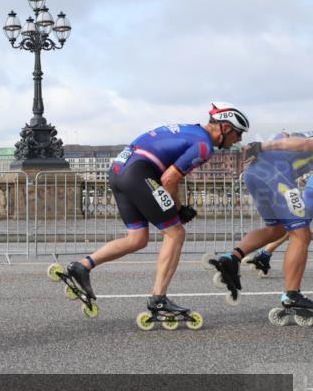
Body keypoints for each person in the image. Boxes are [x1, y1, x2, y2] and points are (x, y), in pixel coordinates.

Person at [51, 103, 248, 328]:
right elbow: (169, 180)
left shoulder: (191, 130)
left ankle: (82, 266)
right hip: (138, 173)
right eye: (238, 133)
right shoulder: (204, 146)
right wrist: (179, 208)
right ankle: (159, 299)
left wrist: (176, 207)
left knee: (137, 238)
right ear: (224, 128)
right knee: (175, 233)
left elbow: (165, 174)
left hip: (119, 171)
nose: (239, 140)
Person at [206, 131, 312, 325]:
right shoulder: (306, 138)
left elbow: (284, 136)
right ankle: (292, 295)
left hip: (255, 174)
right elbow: (304, 144)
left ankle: (232, 259)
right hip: (276, 175)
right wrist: (263, 147)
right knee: (301, 234)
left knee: (277, 229)